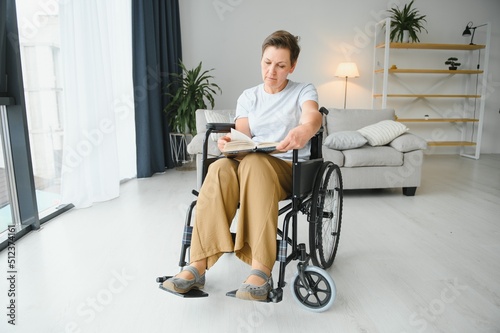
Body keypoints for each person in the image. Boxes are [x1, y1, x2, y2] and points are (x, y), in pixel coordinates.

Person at [162, 30, 322, 301]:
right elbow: (244, 139)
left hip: (286, 169)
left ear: (292, 66)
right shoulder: (249, 96)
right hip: (250, 163)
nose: (272, 71)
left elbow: (312, 115)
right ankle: (197, 265)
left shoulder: (303, 90)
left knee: (256, 164)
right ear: (261, 60)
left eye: (281, 65)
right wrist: (230, 144)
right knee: (220, 168)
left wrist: (304, 131)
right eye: (267, 62)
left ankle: (261, 269)